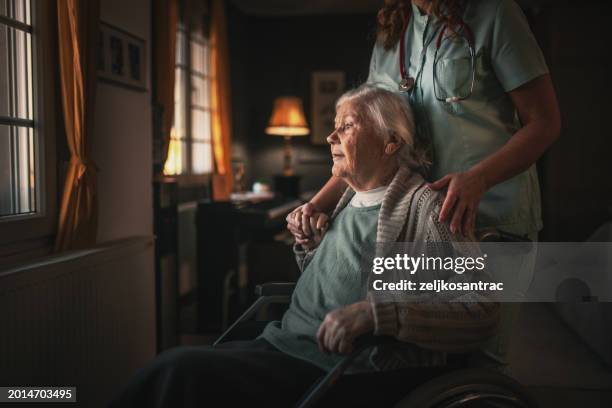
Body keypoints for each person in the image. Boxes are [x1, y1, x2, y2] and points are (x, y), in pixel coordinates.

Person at [109, 86, 499, 408]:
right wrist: (311, 247)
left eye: (346, 126)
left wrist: (378, 315)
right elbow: (338, 280)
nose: (330, 137)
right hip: (284, 342)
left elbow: (478, 311)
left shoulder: (426, 207)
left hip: (338, 368)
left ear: (391, 141)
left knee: (177, 373)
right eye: (334, 126)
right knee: (168, 373)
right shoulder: (348, 199)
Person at [288, 0, 561, 365]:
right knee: (420, 353)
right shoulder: (393, 32)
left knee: (476, 357)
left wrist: (479, 179)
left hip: (492, 221)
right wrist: (318, 203)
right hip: (423, 226)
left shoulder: (495, 14)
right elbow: (365, 141)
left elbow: (545, 123)